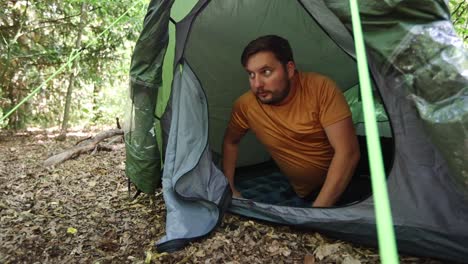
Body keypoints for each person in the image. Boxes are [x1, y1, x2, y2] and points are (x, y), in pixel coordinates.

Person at [222, 35, 360, 207]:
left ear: (289, 69)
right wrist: (229, 187)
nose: (257, 84)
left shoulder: (320, 88)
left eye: (266, 72)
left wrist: (316, 214)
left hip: (353, 176)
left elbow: (348, 153)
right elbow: (231, 142)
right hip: (309, 191)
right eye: (251, 74)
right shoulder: (246, 106)